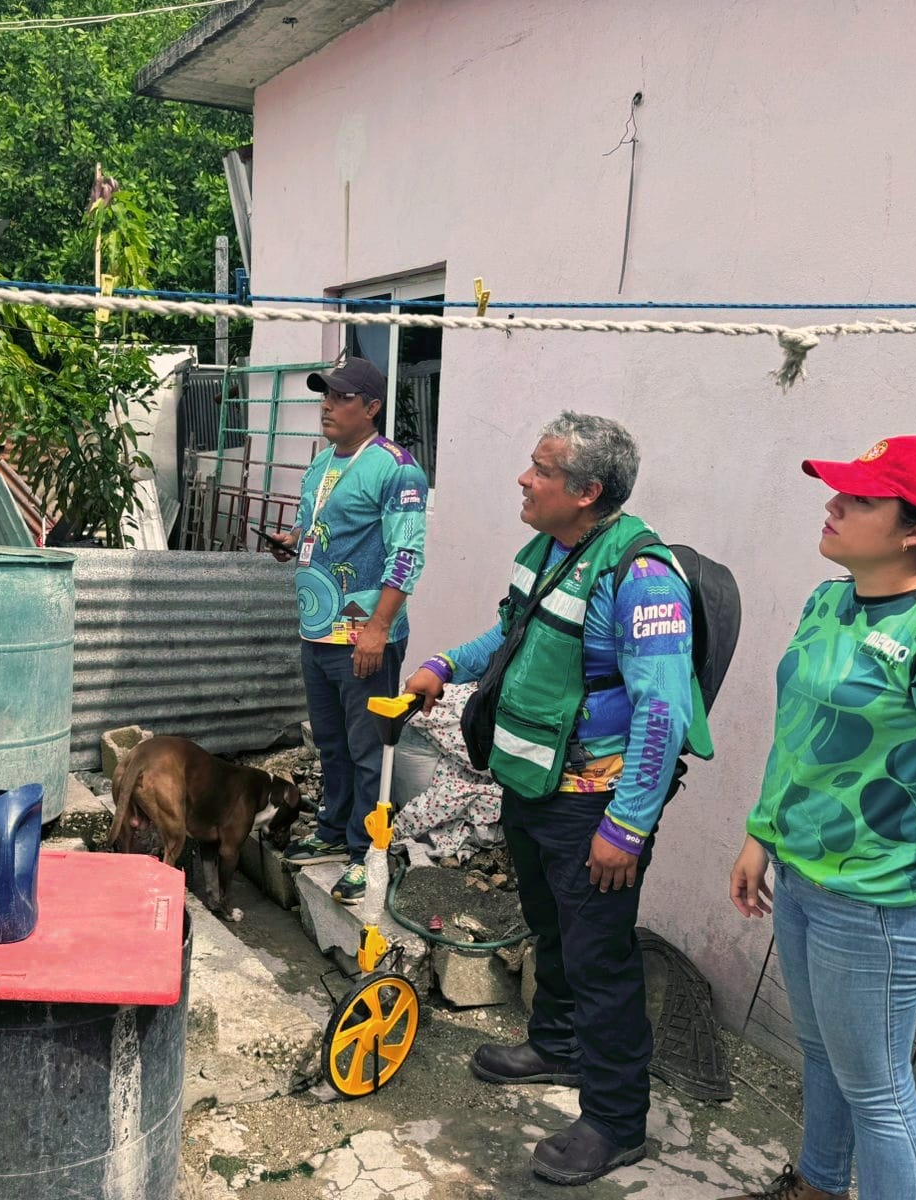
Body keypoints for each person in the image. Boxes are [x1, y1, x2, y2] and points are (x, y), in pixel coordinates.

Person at [404, 411, 708, 1187]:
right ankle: (559, 1043)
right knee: (551, 928)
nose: (523, 478)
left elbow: (662, 713)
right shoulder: (550, 550)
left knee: (602, 958)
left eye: (540, 468)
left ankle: (615, 1120)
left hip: (595, 807)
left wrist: (628, 825)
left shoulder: (641, 578)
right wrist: (443, 663)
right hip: (532, 782)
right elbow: (508, 637)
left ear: (587, 491)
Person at [726, 437, 916, 1200]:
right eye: (839, 492)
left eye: (859, 499)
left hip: (878, 907)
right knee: (821, 1055)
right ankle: (818, 1186)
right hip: (799, 878)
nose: (833, 506)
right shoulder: (827, 601)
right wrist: (761, 834)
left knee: (880, 1090)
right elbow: (797, 736)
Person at [270, 355, 428, 904]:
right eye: (325, 396)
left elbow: (407, 554)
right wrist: (293, 542)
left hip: (363, 634)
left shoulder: (396, 468)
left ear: (372, 407)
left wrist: (379, 629)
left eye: (340, 398)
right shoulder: (321, 464)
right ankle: (334, 831)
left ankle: (366, 854)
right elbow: (313, 527)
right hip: (316, 629)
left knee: (368, 751)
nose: (327, 406)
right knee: (331, 743)